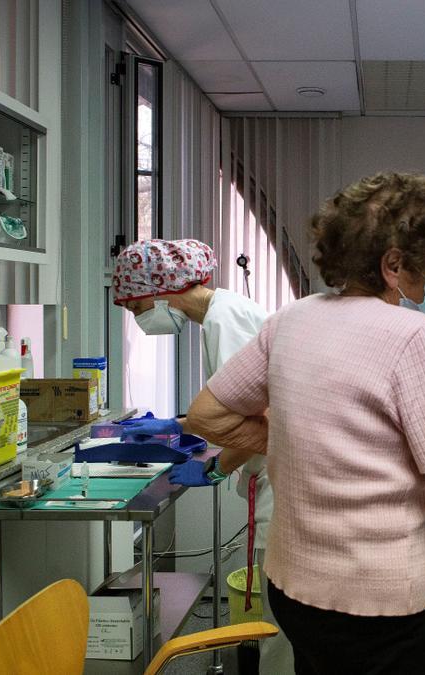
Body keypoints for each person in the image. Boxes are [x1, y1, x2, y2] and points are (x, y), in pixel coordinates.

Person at [179, 172, 425, 674]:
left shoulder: (289, 320)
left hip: (293, 589)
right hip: (379, 603)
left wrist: (302, 437)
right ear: (393, 265)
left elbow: (205, 416)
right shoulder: (414, 336)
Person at [111, 238, 292, 673]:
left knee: (282, 627)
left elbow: (256, 423)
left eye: (136, 309)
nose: (139, 321)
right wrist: (177, 425)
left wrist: (213, 469)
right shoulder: (225, 312)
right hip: (280, 475)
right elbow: (236, 410)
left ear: (158, 291)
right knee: (284, 620)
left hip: (283, 482)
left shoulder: (224, 322)